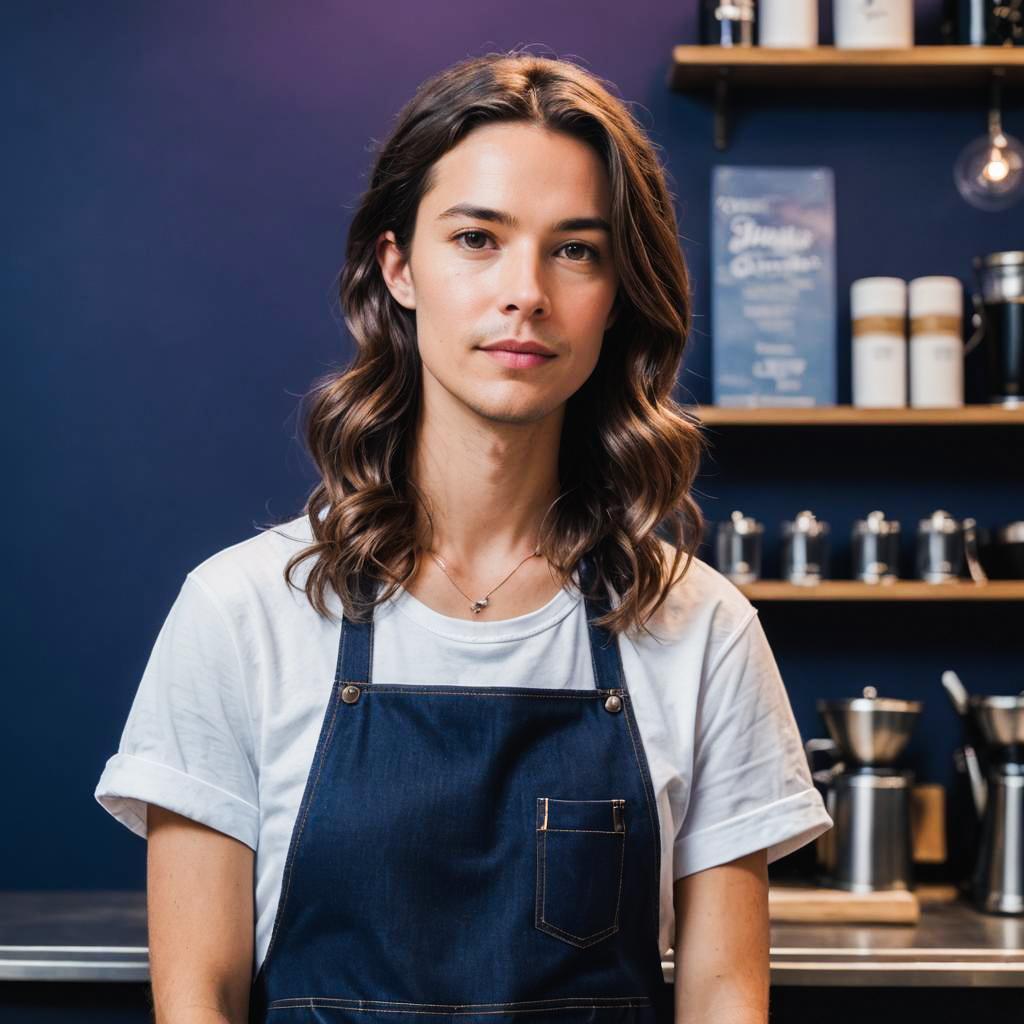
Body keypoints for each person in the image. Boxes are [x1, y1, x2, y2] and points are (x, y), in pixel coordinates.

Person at [95, 51, 832, 1024]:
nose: (524, 290)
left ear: (616, 293)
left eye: (576, 248)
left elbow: (723, 995)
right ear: (398, 265)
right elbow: (200, 998)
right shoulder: (241, 613)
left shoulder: (702, 628)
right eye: (478, 237)